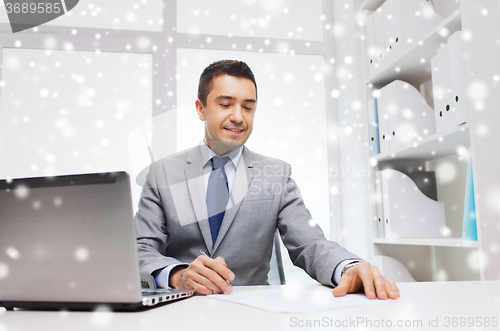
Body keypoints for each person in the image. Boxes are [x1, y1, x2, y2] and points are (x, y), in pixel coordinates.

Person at [135, 60, 399, 300]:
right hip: (180, 311)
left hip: (253, 311)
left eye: (248, 107)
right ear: (201, 108)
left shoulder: (276, 174)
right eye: (226, 104)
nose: (239, 116)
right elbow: (141, 249)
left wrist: (348, 267)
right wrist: (177, 275)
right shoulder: (162, 174)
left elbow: (310, 243)